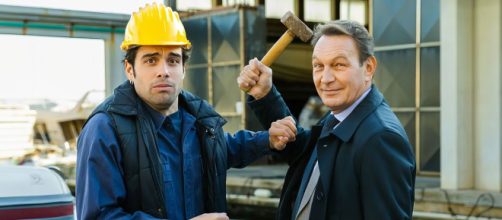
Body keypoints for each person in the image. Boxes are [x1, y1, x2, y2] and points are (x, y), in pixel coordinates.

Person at [76, 3, 296, 220]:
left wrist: (267, 139)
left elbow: (221, 149)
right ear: (129, 69)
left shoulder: (198, 119)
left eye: (173, 60)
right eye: (151, 60)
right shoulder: (104, 129)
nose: (163, 71)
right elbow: (100, 216)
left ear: (183, 68)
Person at [238, 20, 416, 219]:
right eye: (318, 66)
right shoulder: (337, 116)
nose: (326, 78)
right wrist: (265, 94)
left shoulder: (381, 139)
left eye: (338, 65)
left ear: (368, 68)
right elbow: (302, 153)